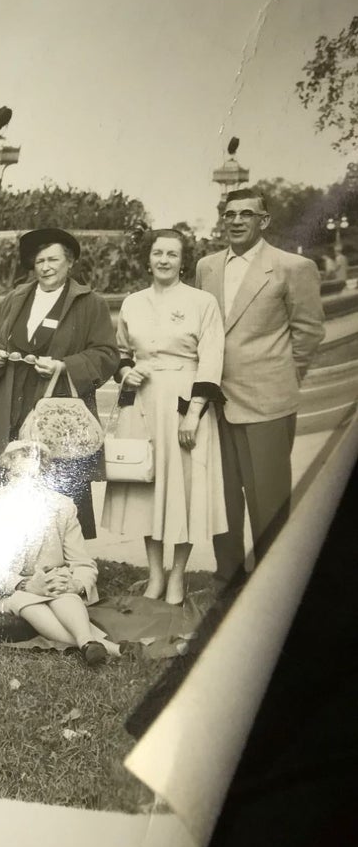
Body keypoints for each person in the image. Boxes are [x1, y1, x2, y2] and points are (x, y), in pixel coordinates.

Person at [195, 189, 325, 587]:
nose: (236, 221)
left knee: (268, 502)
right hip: (216, 404)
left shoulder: (292, 267)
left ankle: (272, 585)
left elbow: (308, 332)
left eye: (246, 214)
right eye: (230, 214)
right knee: (223, 500)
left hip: (268, 402)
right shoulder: (206, 267)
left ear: (263, 221)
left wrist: (283, 377)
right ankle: (228, 579)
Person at [101, 230, 227, 605]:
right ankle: (155, 576)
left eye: (172, 254)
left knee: (182, 490)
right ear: (148, 258)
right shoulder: (133, 302)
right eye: (158, 253)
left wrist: (194, 413)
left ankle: (177, 577)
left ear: (183, 260)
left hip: (184, 402)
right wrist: (125, 372)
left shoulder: (201, 302)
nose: (164, 260)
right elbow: (121, 352)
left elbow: (212, 357)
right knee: (147, 488)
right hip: (141, 404)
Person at [0, 228, 119, 538]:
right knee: (11, 481)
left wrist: (65, 365)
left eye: (53, 260)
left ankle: (62, 562)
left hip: (57, 408)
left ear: (70, 262)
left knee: (58, 484)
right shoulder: (15, 298)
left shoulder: (89, 303)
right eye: (39, 261)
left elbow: (106, 355)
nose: (46, 267)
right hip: (13, 403)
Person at [0, 440, 120, 666]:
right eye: (19, 476)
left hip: (55, 584)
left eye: (33, 477)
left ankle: (87, 643)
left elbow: (82, 562)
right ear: (8, 473)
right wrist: (24, 584)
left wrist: (75, 585)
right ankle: (107, 647)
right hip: (7, 591)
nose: (26, 484)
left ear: (44, 475)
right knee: (26, 600)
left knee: (64, 595)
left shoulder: (62, 506)